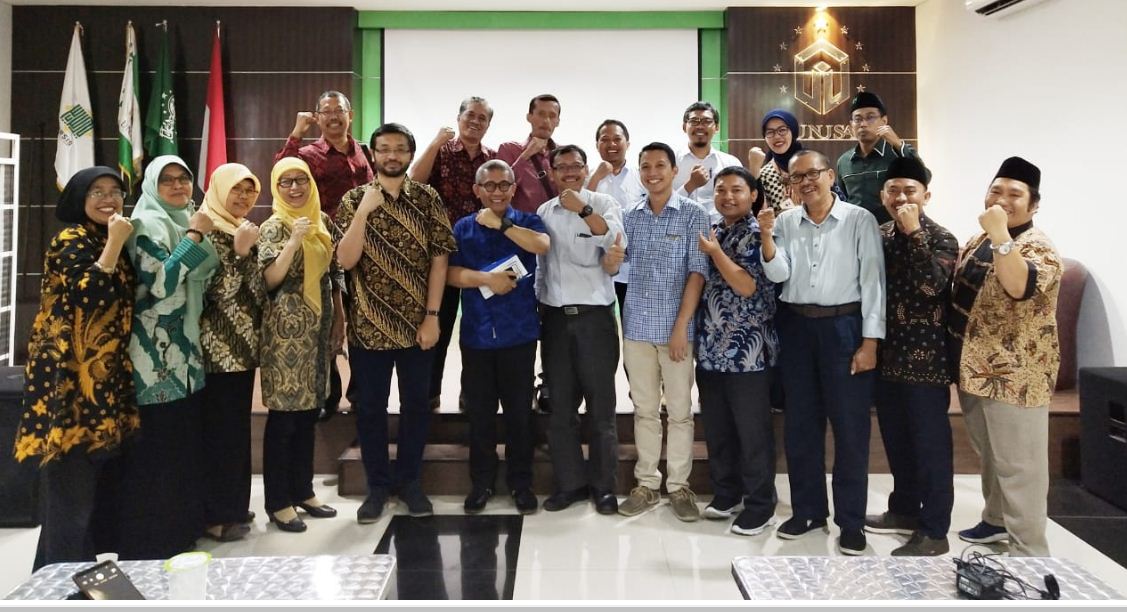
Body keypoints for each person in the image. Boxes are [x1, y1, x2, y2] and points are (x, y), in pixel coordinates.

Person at [758, 149, 885, 555]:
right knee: (800, 426)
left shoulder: (858, 220)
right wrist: (766, 238)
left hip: (844, 328)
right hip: (796, 327)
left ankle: (851, 521)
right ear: (790, 184)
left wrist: (870, 342)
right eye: (797, 177)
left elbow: (873, 284)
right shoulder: (785, 222)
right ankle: (809, 511)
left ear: (830, 176)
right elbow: (780, 274)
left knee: (850, 429)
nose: (805, 182)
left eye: (813, 174)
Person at [14, 167, 138, 570]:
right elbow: (91, 293)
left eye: (115, 191)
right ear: (80, 200)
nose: (109, 199)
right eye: (97, 192)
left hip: (101, 377)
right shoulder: (72, 239)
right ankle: (60, 581)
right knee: (70, 488)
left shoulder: (105, 238)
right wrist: (117, 242)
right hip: (67, 382)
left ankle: (60, 574)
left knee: (82, 495)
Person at [338, 123, 456, 522]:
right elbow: (345, 260)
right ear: (372, 154)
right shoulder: (354, 199)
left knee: (415, 409)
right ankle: (376, 486)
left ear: (409, 154)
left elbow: (440, 260)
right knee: (370, 409)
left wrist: (433, 317)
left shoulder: (427, 198)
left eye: (399, 149)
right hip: (368, 327)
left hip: (416, 326)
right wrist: (364, 214)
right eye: (384, 149)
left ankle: (409, 483)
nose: (392, 155)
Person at [949, 157, 1061, 557]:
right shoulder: (978, 240)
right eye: (996, 190)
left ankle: (1030, 553)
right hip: (976, 371)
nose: (1003, 199)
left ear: (1033, 206)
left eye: (1015, 194)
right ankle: (996, 521)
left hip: (1017, 377)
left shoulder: (1040, 248)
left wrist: (998, 232)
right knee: (992, 456)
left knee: (1021, 469)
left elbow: (1018, 286)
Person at [119, 156, 219, 560]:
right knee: (158, 450)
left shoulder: (185, 218)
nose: (178, 187)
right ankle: (154, 538)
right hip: (154, 356)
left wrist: (192, 232)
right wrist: (194, 236)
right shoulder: (146, 225)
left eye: (184, 179)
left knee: (182, 446)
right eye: (168, 181)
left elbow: (207, 272)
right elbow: (161, 282)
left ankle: (183, 528)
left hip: (187, 351)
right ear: (151, 186)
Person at [863, 157, 959, 556]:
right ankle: (903, 509)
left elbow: (931, 286)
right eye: (894, 190)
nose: (901, 197)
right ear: (882, 195)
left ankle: (935, 530)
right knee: (897, 442)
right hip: (887, 358)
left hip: (928, 362)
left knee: (931, 447)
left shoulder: (942, 238)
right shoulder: (879, 234)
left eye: (910, 190)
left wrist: (914, 232)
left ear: (926, 196)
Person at [448, 159, 550, 514]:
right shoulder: (462, 227)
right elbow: (451, 274)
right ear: (477, 190)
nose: (496, 191)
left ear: (513, 189)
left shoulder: (526, 221)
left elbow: (541, 246)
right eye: (488, 185)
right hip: (477, 336)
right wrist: (486, 280)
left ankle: (521, 484)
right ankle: (482, 483)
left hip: (518, 336)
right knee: (480, 415)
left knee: (520, 414)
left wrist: (502, 224)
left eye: (503, 185)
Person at [619, 142, 710, 522]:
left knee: (679, 411)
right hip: (637, 327)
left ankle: (678, 486)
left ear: (675, 171)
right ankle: (646, 484)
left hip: (677, 332)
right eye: (645, 166)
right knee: (644, 410)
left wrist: (680, 327)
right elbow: (616, 263)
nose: (652, 172)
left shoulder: (693, 214)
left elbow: (697, 273)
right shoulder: (630, 216)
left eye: (660, 165)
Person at [536, 145, 626, 515]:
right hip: (555, 319)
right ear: (553, 172)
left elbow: (614, 241)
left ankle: (604, 487)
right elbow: (542, 267)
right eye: (562, 167)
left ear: (586, 168)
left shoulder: (603, 203)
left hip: (595, 319)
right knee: (560, 409)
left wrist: (584, 209)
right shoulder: (544, 212)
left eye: (576, 166)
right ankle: (569, 484)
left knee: (601, 409)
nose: (570, 172)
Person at [276, 90, 374, 420]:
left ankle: (360, 393)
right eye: (327, 112)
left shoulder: (365, 152)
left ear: (351, 115)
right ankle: (327, 394)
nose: (334, 117)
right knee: (328, 321)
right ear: (318, 118)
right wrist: (295, 133)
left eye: (340, 111)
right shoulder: (308, 153)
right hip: (324, 247)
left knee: (361, 323)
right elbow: (280, 174)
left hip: (363, 249)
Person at [258, 157, 344, 533]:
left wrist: (339, 319)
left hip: (318, 328)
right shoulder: (273, 226)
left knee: (309, 414)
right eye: (286, 182)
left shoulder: (322, 221)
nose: (295, 188)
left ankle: (303, 490)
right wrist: (294, 241)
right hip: (284, 332)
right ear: (276, 188)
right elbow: (271, 279)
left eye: (301, 181)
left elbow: (335, 272)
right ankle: (278, 502)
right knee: (284, 419)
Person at [695, 166, 779, 536]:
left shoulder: (758, 235)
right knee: (719, 428)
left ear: (753, 196)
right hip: (711, 349)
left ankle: (760, 504)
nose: (727, 196)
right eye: (721, 190)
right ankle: (726, 493)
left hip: (749, 353)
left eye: (736, 190)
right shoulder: (714, 230)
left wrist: (715, 255)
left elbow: (746, 286)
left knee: (752, 432)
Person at [410, 96, 497, 411]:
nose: (475, 122)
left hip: (480, 255)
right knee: (438, 324)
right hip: (440, 256)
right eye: (470, 116)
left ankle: (471, 394)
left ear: (488, 124)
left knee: (478, 328)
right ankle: (428, 393)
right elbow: (414, 182)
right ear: (459, 118)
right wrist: (434, 143)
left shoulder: (492, 159)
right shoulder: (442, 151)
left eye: (482, 118)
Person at [197, 163, 267, 543]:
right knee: (219, 436)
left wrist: (245, 252)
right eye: (235, 190)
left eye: (249, 191)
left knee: (236, 433)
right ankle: (215, 515)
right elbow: (215, 294)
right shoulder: (205, 231)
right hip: (214, 351)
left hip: (241, 350)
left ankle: (235, 505)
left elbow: (256, 292)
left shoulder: (243, 232)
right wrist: (239, 255)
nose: (242, 198)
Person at [834, 92, 927, 225]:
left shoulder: (898, 152)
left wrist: (898, 144)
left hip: (893, 233)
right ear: (851, 125)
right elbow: (842, 201)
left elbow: (925, 177)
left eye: (870, 117)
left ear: (884, 121)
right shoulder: (844, 161)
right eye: (858, 119)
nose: (863, 124)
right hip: (857, 232)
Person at [586, 119, 644, 319]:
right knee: (601, 327)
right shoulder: (588, 177)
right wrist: (596, 177)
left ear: (627, 144)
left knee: (633, 326)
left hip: (633, 268)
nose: (611, 144)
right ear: (597, 145)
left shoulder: (641, 177)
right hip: (598, 265)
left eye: (617, 139)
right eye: (605, 140)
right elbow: (579, 207)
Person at [673, 101, 743, 219]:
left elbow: (740, 202)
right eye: (694, 121)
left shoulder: (731, 163)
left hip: (719, 232)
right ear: (684, 127)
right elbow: (661, 202)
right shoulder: (670, 161)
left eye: (707, 121)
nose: (700, 126)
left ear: (717, 127)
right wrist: (690, 185)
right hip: (677, 231)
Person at [497, 94, 561, 213]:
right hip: (523, 227)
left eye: (552, 116)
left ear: (557, 121)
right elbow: (500, 188)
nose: (546, 120)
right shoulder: (509, 149)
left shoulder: (564, 155)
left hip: (558, 227)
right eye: (541, 114)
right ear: (529, 117)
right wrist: (526, 155)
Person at [745, 109, 802, 213]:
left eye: (782, 130)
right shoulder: (765, 175)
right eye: (770, 132)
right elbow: (758, 215)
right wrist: (754, 172)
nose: (776, 136)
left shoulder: (812, 165)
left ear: (793, 131)